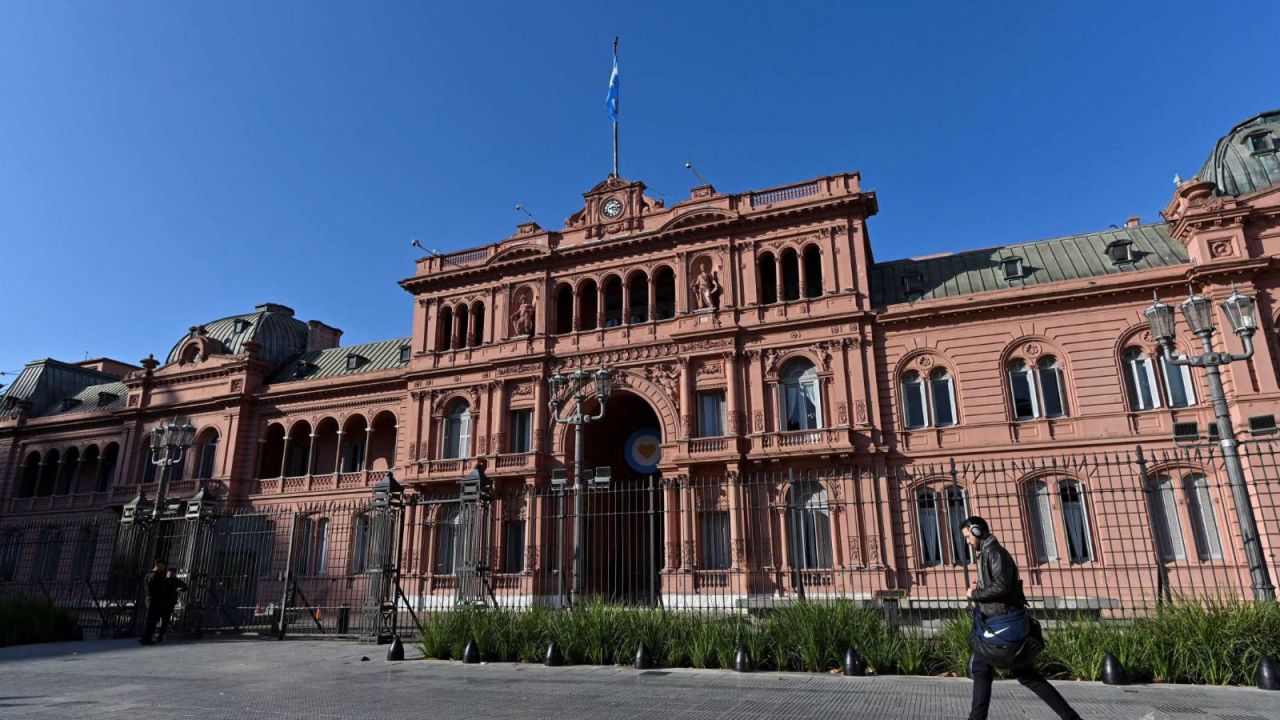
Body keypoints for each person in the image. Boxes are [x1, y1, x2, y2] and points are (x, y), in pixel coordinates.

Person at [961, 516, 1081, 720]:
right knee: (984, 670)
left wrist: (974, 594)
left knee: (1026, 676)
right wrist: (979, 588)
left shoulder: (995, 553)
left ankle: (1071, 717)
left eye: (968, 536)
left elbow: (1002, 587)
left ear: (977, 531)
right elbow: (998, 584)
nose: (967, 541)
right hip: (993, 623)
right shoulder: (987, 553)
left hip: (1001, 625)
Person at [154, 568, 188, 643]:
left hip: (170, 602)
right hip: (161, 602)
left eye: (172, 573)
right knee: (156, 618)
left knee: (165, 620)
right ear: (167, 573)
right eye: (169, 573)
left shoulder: (176, 581)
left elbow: (185, 587)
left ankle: (160, 635)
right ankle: (154, 633)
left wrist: (180, 589)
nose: (171, 574)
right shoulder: (164, 580)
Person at [139, 560, 168, 645]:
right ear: (158, 565)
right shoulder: (155, 575)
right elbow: (157, 588)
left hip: (151, 599)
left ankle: (145, 637)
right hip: (154, 600)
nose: (164, 568)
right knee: (151, 620)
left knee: (149, 620)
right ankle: (147, 639)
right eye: (162, 566)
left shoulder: (149, 574)